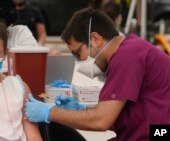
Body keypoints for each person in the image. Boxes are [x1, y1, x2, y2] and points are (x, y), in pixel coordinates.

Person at [24, 7, 170, 141]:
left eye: (77, 53)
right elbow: (119, 114)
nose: (78, 60)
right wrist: (82, 109)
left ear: (96, 39)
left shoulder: (127, 56)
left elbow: (101, 121)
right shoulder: (129, 51)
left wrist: (50, 112)